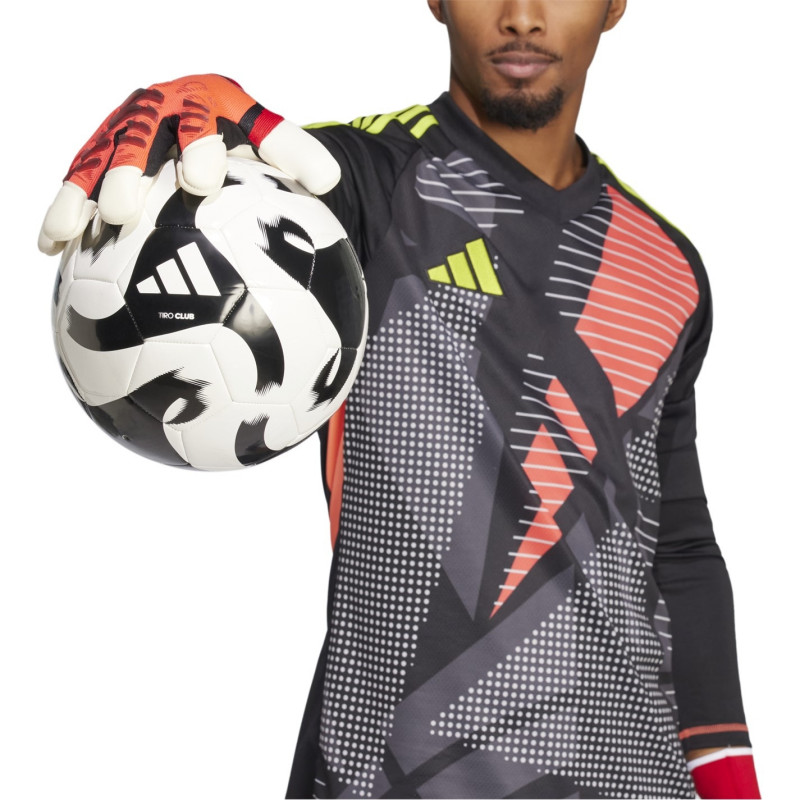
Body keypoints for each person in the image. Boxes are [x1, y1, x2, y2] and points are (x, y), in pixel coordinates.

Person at [38, 1, 761, 797]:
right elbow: (244, 186)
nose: (522, 16)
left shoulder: (669, 266)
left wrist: (732, 784)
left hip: (636, 777)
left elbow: (681, 552)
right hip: (397, 777)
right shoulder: (364, 185)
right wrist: (192, 114)